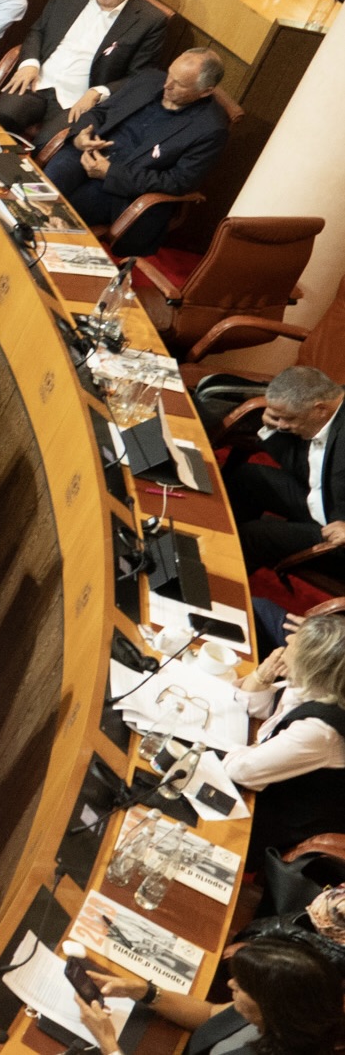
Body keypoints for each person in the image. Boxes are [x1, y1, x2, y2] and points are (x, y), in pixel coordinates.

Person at [39, 48, 229, 256]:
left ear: (205, 91)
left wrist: (110, 173)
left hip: (123, 186)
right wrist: (82, 135)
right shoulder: (149, 79)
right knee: (43, 192)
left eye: (180, 84)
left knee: (66, 214)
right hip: (88, 152)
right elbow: (100, 113)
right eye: (170, 75)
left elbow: (178, 182)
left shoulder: (210, 128)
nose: (167, 85)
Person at [0, 0, 165, 143]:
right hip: (37, 82)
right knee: (1, 116)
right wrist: (29, 63)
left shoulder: (149, 21)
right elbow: (38, 30)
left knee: (49, 143)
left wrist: (99, 92)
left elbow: (138, 76)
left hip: (77, 101)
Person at [78, 939, 344, 1055]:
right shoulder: (275, 1019)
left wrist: (109, 1045)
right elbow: (209, 1014)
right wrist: (143, 991)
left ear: (274, 1006)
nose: (231, 983)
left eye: (244, 985)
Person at [226, 613, 345, 858]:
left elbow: (242, 771)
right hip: (263, 778)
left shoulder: (321, 731)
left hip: (272, 821)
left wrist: (223, 745)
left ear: (313, 665)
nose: (288, 638)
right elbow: (256, 708)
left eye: (296, 642)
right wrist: (261, 676)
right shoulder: (316, 684)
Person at [229, 367, 344, 572]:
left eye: (288, 419)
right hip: (323, 500)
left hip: (338, 534)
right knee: (248, 476)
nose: (281, 425)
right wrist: (272, 428)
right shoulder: (327, 411)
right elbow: (305, 470)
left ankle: (223, 580)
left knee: (254, 534)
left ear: (320, 409)